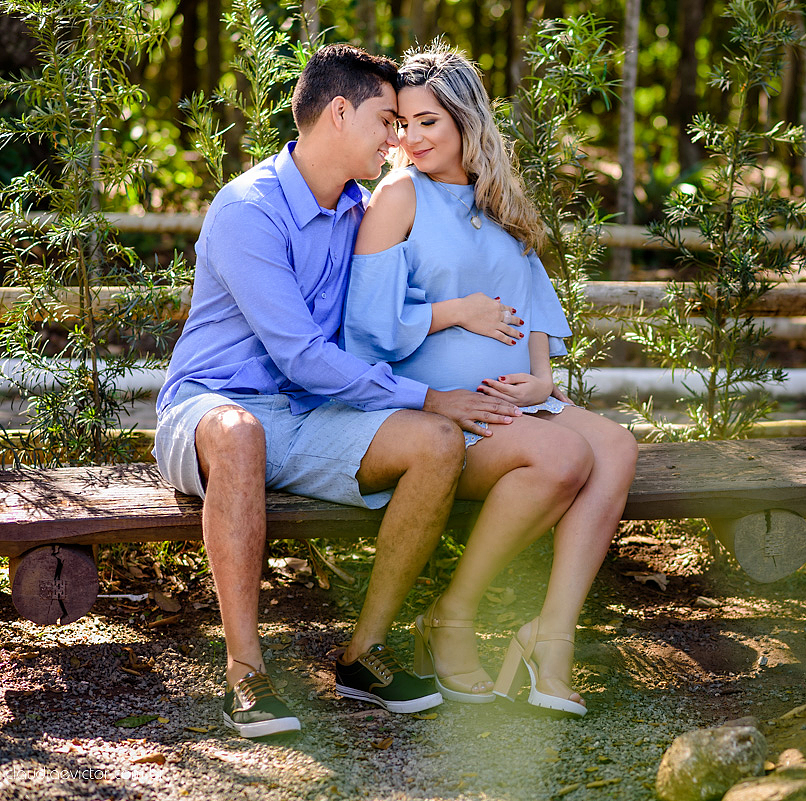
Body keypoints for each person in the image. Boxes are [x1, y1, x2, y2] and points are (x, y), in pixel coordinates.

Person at [154, 43, 523, 739]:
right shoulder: (249, 209)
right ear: (340, 113)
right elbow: (299, 354)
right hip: (211, 407)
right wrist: (425, 394)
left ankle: (363, 656)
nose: (397, 138)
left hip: (308, 416)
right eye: (387, 121)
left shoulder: (362, 210)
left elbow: (396, 308)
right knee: (242, 434)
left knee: (436, 442)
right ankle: (245, 672)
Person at [343, 42, 638, 718]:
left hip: (514, 403)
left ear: (466, 121)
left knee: (617, 446)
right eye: (402, 124)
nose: (411, 139)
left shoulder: (497, 198)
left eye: (428, 123)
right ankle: (453, 616)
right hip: (437, 414)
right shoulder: (399, 196)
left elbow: (531, 299)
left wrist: (542, 379)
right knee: (563, 456)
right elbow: (367, 325)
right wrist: (457, 312)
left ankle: (552, 637)